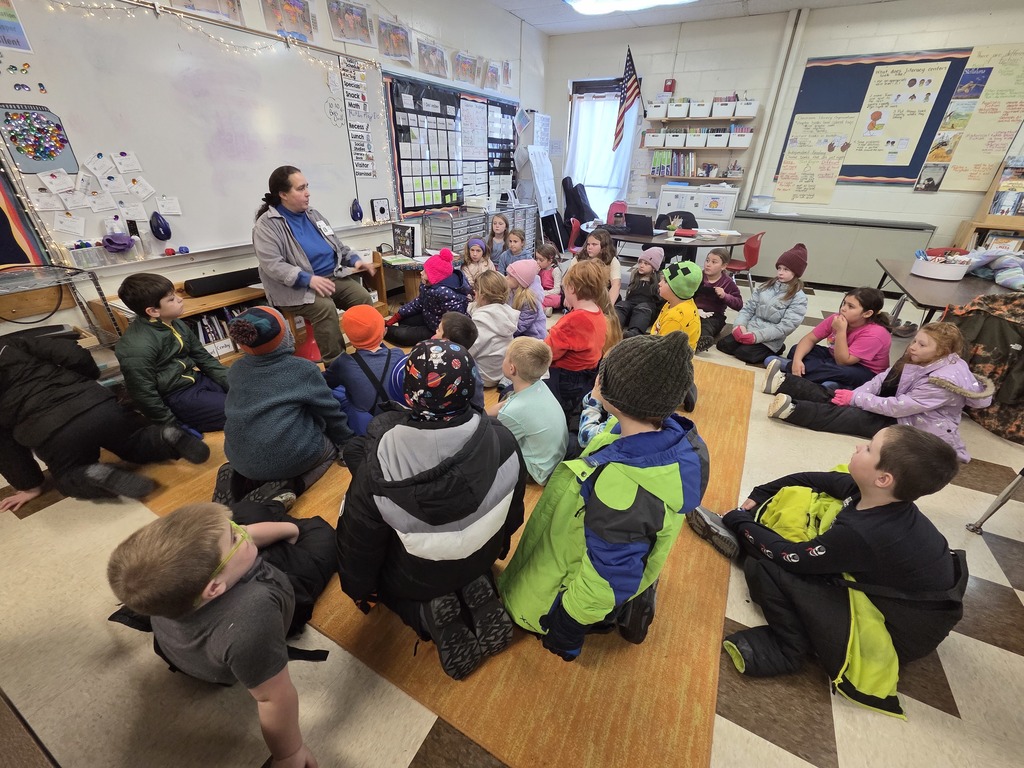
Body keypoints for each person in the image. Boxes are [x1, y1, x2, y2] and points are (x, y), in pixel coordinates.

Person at [690, 426, 966, 717]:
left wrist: (738, 520)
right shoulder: (874, 494)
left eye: (870, 448)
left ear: (883, 479)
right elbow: (812, 479)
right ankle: (748, 538)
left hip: (898, 631)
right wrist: (761, 493)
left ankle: (790, 648)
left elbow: (790, 557)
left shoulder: (864, 534)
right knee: (805, 500)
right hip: (911, 599)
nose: (860, 446)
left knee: (768, 567)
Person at [498, 332, 709, 660]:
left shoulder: (623, 492)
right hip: (593, 538)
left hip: (563, 590)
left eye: (603, 372)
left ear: (618, 395)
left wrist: (567, 628)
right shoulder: (650, 433)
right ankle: (631, 595)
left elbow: (606, 576)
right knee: (624, 555)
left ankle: (609, 612)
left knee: (520, 606)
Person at [336, 340, 528, 680]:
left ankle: (424, 613)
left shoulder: (378, 463)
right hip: (482, 554)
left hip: (417, 575)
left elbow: (358, 542)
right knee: (466, 545)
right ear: (471, 386)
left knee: (385, 562)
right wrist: (496, 550)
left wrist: (359, 589)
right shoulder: (503, 439)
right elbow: (513, 513)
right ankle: (475, 581)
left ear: (408, 395)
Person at [107, 496, 337, 768]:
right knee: (321, 534)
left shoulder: (164, 591)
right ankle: (275, 509)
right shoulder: (251, 617)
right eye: (235, 536)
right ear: (214, 588)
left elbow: (244, 534)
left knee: (239, 517)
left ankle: (268, 508)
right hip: (270, 597)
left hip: (201, 627)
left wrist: (249, 534)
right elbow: (273, 697)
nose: (242, 532)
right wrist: (289, 752)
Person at [0, 333, 210, 509]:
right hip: (98, 405)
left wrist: (29, 485)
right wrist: (88, 379)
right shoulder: (9, 343)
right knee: (134, 441)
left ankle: (90, 473)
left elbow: (4, 447)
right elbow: (72, 353)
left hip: (50, 432)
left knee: (67, 477)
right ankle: (165, 437)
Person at [765, 322, 993, 462]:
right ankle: (786, 383)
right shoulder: (920, 358)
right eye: (915, 341)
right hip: (903, 412)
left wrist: (857, 400)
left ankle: (794, 409)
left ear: (942, 352)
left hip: (918, 428)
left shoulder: (942, 382)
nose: (913, 346)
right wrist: (856, 396)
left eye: (922, 345)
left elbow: (901, 406)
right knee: (840, 397)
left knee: (851, 418)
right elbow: (883, 379)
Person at [252, 165, 375, 365]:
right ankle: (337, 365)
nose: (308, 193)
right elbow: (272, 265)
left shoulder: (313, 215)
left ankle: (368, 353)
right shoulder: (266, 225)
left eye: (307, 186)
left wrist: (356, 260)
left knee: (362, 297)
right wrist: (308, 279)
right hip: (295, 287)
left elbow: (338, 246)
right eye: (300, 189)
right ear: (283, 194)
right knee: (325, 309)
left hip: (331, 277)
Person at [224, 307, 353, 494]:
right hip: (287, 457)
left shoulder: (235, 369)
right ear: (286, 337)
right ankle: (291, 487)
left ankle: (241, 481)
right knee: (329, 451)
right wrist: (346, 440)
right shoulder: (302, 369)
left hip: (237, 456)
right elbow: (329, 410)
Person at [115, 273, 229, 433]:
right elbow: (143, 393)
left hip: (195, 380)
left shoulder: (176, 324)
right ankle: (189, 419)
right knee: (241, 411)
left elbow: (204, 359)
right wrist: (171, 425)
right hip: (176, 395)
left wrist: (232, 382)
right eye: (171, 299)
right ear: (153, 311)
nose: (180, 299)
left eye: (175, 294)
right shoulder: (136, 345)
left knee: (250, 393)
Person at [763, 286, 892, 390]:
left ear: (867, 313)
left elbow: (843, 361)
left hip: (863, 371)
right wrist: (797, 360)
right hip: (834, 358)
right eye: (844, 303)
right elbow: (810, 339)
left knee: (843, 372)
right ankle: (829, 382)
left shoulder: (875, 334)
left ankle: (788, 368)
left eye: (851, 307)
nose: (843, 309)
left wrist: (841, 331)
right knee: (796, 350)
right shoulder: (838, 318)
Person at [544, 259, 622, 423]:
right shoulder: (597, 311)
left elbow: (548, 352)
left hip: (565, 379)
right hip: (587, 375)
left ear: (572, 288)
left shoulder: (574, 319)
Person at [486, 337, 568, 485]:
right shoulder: (540, 385)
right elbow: (508, 404)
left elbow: (497, 446)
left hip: (537, 472)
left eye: (506, 357)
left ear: (512, 369)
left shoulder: (512, 412)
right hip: (553, 458)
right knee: (503, 400)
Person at [716, 243, 808, 365]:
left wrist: (756, 336)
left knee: (744, 353)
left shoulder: (799, 297)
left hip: (770, 337)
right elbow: (748, 309)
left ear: (796, 273)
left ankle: (778, 348)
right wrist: (740, 325)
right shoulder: (766, 287)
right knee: (723, 345)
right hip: (751, 328)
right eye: (779, 268)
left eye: (786, 269)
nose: (780, 272)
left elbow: (785, 327)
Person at [323, 305, 401, 437]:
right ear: (384, 331)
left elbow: (324, 383)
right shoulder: (398, 354)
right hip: (399, 417)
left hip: (366, 427)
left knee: (338, 390)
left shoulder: (343, 363)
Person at [384, 248, 471, 347]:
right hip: (429, 317)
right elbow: (418, 302)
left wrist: (439, 336)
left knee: (401, 335)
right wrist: (399, 314)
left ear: (434, 276)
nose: (421, 273)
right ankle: (388, 328)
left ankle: (382, 331)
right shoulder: (428, 284)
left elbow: (453, 323)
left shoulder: (448, 294)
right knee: (404, 320)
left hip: (437, 329)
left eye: (425, 271)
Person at [469, 270, 520, 387]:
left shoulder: (482, 320)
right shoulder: (506, 312)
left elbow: (471, 350)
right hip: (501, 371)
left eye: (475, 291)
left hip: (484, 377)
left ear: (481, 295)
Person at [693, 248, 743, 353]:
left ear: (723, 266)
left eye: (714, 262)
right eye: (707, 260)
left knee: (707, 326)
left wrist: (725, 296)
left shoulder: (727, 283)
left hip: (714, 315)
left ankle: (702, 341)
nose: (708, 264)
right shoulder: (697, 276)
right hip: (694, 310)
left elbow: (739, 304)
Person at [652, 261, 702, 349]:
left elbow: (662, 351)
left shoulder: (676, 318)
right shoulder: (672, 303)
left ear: (677, 289)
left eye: (665, 281)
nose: (660, 283)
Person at [615, 247, 664, 337]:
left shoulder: (659, 278)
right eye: (640, 262)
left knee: (642, 308)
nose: (641, 265)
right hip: (631, 304)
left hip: (648, 308)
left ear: (654, 267)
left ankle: (634, 332)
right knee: (622, 305)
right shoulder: (635, 274)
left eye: (646, 263)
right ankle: (614, 328)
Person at [569, 229, 622, 305]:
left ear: (604, 247)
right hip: (582, 292)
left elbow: (616, 285)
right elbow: (569, 280)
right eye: (588, 244)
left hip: (602, 293)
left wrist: (608, 306)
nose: (589, 247)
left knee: (618, 300)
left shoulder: (612, 260)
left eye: (594, 244)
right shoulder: (578, 258)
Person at [506, 258, 546, 340]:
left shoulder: (529, 301)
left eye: (510, 276)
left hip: (532, 336)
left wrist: (502, 331)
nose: (506, 278)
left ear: (520, 281)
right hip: (516, 331)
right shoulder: (512, 290)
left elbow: (521, 325)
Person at [534, 242, 563, 315]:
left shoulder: (555, 270)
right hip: (540, 293)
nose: (538, 262)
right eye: (536, 259)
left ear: (550, 260)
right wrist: (534, 273)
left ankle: (541, 309)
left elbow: (557, 290)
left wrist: (543, 293)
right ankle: (545, 309)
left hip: (551, 295)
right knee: (530, 296)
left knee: (556, 299)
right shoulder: (539, 268)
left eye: (541, 260)